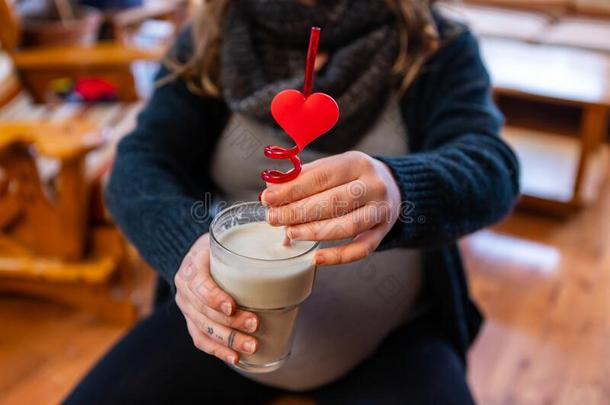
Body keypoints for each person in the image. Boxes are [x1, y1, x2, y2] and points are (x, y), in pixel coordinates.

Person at [65, 0, 519, 403]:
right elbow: (139, 165)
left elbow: (492, 167)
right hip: (217, 326)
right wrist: (187, 245)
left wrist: (402, 187)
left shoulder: (436, 46)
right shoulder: (211, 40)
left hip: (395, 342)